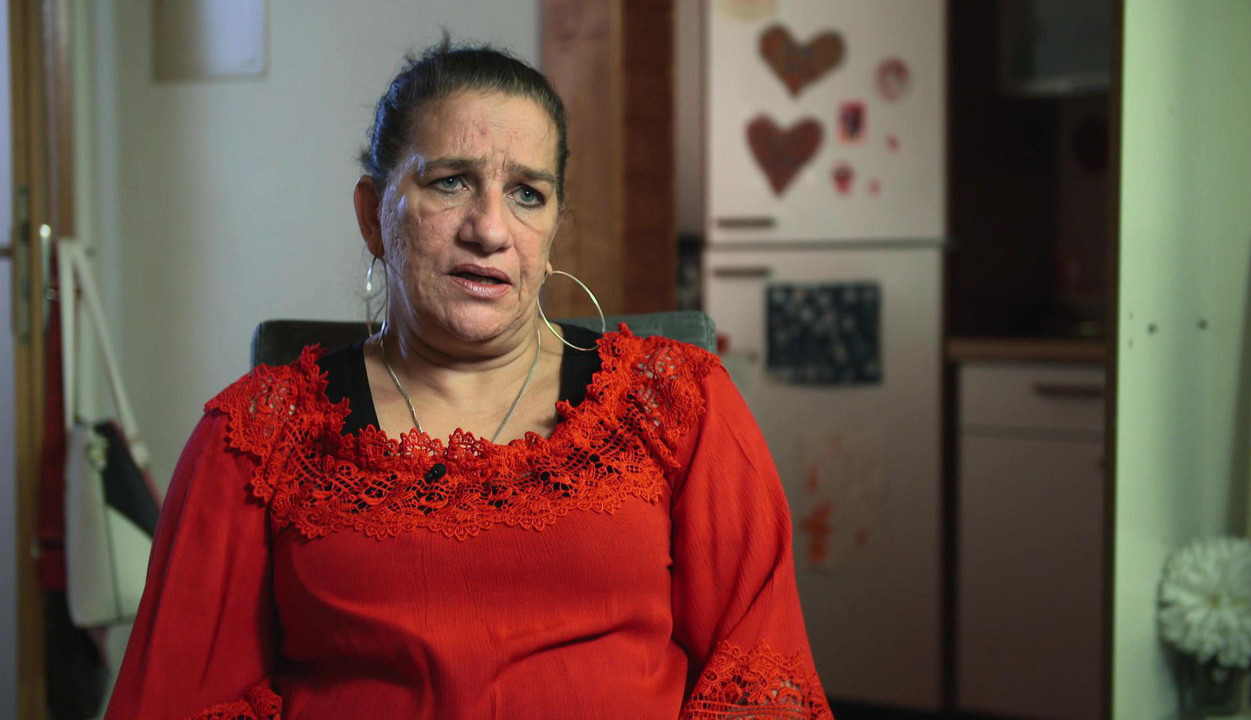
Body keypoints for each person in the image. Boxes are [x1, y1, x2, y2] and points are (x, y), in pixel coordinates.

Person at [104, 38, 832, 720]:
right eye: (450, 182)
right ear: (372, 215)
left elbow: (763, 677)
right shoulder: (255, 438)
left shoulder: (678, 402)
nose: (489, 229)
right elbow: (177, 697)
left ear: (553, 231)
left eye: (527, 194)